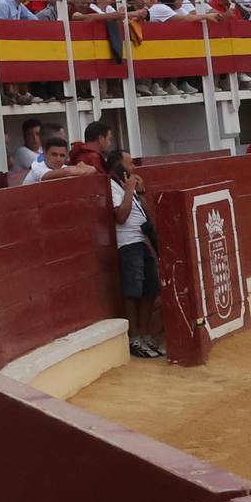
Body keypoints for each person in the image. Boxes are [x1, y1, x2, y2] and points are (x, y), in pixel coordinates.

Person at [100, 146, 166, 360]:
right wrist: (129, 190)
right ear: (118, 166)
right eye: (129, 163)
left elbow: (145, 215)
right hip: (127, 244)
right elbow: (121, 217)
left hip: (141, 241)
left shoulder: (125, 185)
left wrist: (139, 192)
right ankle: (134, 337)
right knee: (133, 290)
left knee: (151, 288)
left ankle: (145, 334)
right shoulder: (112, 186)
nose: (134, 167)